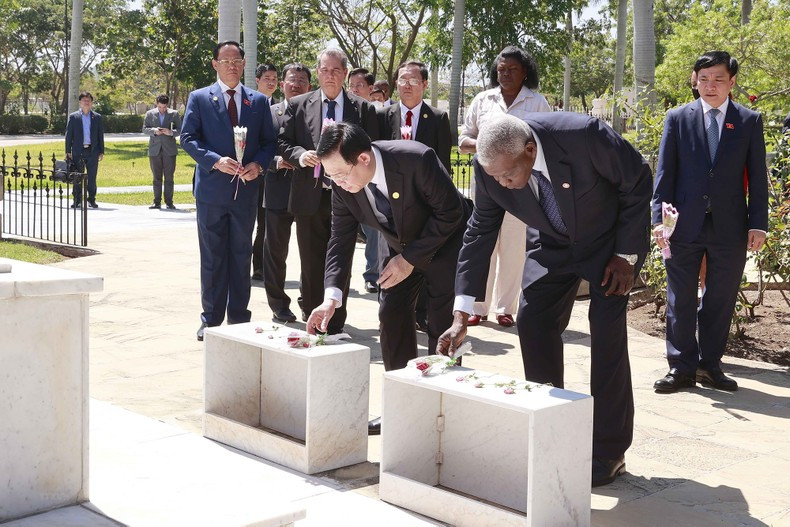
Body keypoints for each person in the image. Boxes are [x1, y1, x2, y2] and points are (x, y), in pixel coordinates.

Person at [438, 114, 652, 487]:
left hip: (610, 246)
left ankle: (608, 450)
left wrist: (628, 255)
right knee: (533, 321)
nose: (502, 184)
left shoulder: (584, 136)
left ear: (530, 151)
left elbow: (637, 180)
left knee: (605, 331)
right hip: (552, 245)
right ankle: (551, 425)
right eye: (496, 179)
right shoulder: (492, 165)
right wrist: (461, 311)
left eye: (508, 176)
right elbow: (480, 231)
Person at [306, 122, 470, 434]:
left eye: (340, 173)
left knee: (440, 324)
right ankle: (401, 407)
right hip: (398, 250)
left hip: (445, 245)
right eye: (331, 176)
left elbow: (452, 213)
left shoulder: (415, 159)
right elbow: (339, 241)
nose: (337, 182)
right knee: (391, 313)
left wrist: (410, 260)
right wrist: (331, 299)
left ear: (364, 159)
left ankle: (443, 410)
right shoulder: (343, 186)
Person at [652, 51, 768, 393]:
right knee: (680, 298)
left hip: (730, 226)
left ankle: (709, 365)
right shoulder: (677, 118)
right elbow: (664, 176)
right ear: (694, 80)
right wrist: (659, 221)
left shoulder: (748, 121)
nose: (710, 85)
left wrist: (758, 223)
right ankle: (681, 367)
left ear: (731, 82)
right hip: (681, 225)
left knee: (720, 298)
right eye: (703, 78)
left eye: (718, 78)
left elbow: (758, 178)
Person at [181, 41, 276, 341]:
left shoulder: (258, 102)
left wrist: (259, 166)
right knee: (212, 256)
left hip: (246, 192)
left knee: (240, 253)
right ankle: (210, 319)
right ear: (215, 64)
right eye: (226, 60)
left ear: (244, 63)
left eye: (237, 60)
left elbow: (269, 143)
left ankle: (239, 318)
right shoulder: (199, 98)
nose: (232, 65)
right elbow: (187, 138)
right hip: (211, 191)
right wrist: (214, 161)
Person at [278, 47, 379, 332]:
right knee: (311, 262)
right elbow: (283, 142)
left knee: (341, 258)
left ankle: (335, 323)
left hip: (346, 194)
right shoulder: (298, 104)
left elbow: (370, 149)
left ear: (345, 74)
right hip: (309, 193)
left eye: (336, 70)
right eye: (324, 69)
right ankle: (312, 318)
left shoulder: (362, 108)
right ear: (317, 72)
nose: (330, 75)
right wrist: (300, 155)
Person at [458, 45, 551, 328]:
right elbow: (463, 141)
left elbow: (544, 142)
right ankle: (477, 306)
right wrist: (490, 147)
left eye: (512, 70)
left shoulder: (537, 102)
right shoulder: (483, 100)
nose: (506, 74)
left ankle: (504, 307)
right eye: (501, 70)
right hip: (486, 183)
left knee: (512, 245)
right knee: (484, 241)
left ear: (525, 73)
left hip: (521, 184)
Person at [379, 59, 453, 331]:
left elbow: (443, 164)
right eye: (402, 80)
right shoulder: (383, 116)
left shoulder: (437, 118)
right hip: (390, 203)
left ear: (423, 84)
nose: (406, 86)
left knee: (423, 255)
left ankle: (421, 311)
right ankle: (389, 306)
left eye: (412, 81)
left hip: (424, 201)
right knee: (389, 253)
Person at [263, 63, 311, 323]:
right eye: (291, 80)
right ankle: (279, 304)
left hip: (308, 192)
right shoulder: (268, 113)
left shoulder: (314, 113)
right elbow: (258, 148)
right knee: (276, 251)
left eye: (302, 81)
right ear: (282, 84)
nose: (296, 84)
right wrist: (276, 162)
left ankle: (309, 302)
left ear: (309, 86)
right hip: (278, 189)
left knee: (311, 251)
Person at [347, 67, 381, 294]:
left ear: (371, 89)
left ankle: (372, 274)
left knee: (373, 231)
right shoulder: (343, 109)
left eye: (360, 85)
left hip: (368, 181)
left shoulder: (377, 114)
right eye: (352, 85)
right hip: (344, 180)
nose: (354, 89)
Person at [251, 63, 279, 281]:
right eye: (267, 78)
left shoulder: (282, 107)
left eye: (274, 78)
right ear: (257, 80)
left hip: (272, 175)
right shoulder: (248, 104)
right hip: (250, 172)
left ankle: (259, 266)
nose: (271, 81)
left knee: (265, 223)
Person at [65, 91, 104, 209]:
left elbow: (100, 135)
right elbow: (69, 135)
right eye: (84, 100)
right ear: (80, 102)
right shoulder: (74, 117)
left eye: (88, 100)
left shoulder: (97, 117)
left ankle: (91, 199)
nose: (86, 103)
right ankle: (77, 200)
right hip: (78, 151)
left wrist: (101, 151)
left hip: (92, 151)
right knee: (77, 176)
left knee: (92, 177)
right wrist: (68, 151)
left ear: (91, 102)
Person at [142, 94, 181, 210]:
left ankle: (169, 202)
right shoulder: (149, 114)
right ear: (156, 104)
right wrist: (154, 131)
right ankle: (156, 202)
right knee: (156, 177)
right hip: (155, 150)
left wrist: (171, 132)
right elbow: (144, 129)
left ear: (167, 105)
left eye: (164, 107)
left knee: (169, 177)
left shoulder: (174, 114)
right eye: (160, 107)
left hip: (169, 150)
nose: (162, 110)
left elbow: (180, 129)